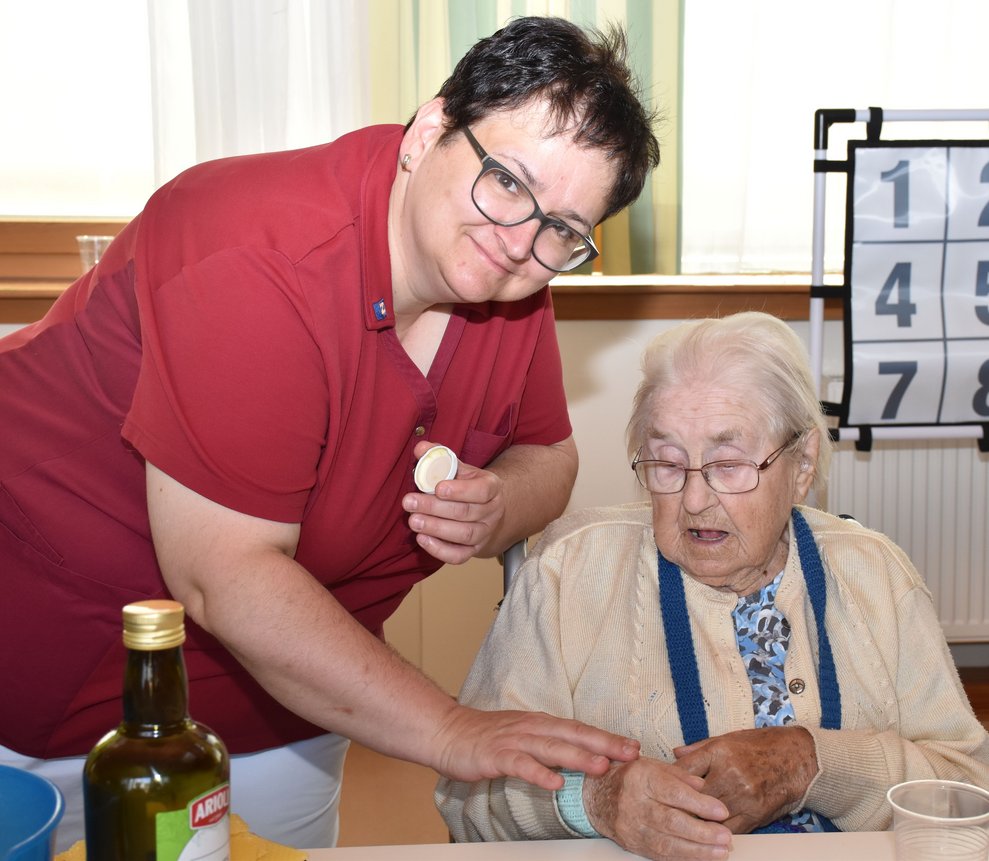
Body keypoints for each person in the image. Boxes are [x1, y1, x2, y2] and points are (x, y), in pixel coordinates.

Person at [0, 16, 660, 851]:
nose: (519, 240)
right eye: (505, 181)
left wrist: (501, 503)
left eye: (562, 228)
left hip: (299, 684)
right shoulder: (253, 251)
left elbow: (550, 454)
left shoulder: (509, 283)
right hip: (76, 674)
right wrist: (450, 727)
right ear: (429, 131)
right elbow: (224, 574)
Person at [436, 311, 989, 861]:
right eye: (668, 463)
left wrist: (812, 764)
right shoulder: (569, 571)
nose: (695, 500)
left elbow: (966, 786)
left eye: (728, 464)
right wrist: (594, 801)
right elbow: (471, 793)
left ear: (802, 464)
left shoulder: (875, 573)